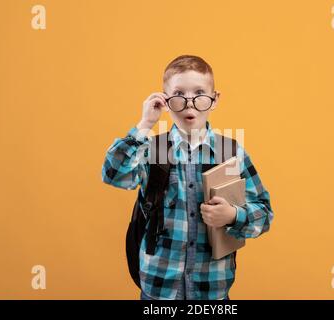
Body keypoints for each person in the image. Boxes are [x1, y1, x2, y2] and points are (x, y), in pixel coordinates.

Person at [102, 55, 274, 300]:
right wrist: (145, 123)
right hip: (159, 288)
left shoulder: (231, 153)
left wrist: (234, 215)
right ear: (165, 100)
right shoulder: (153, 150)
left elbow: (264, 214)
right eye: (179, 95)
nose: (189, 103)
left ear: (214, 100)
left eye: (199, 94)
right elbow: (114, 174)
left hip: (212, 290)